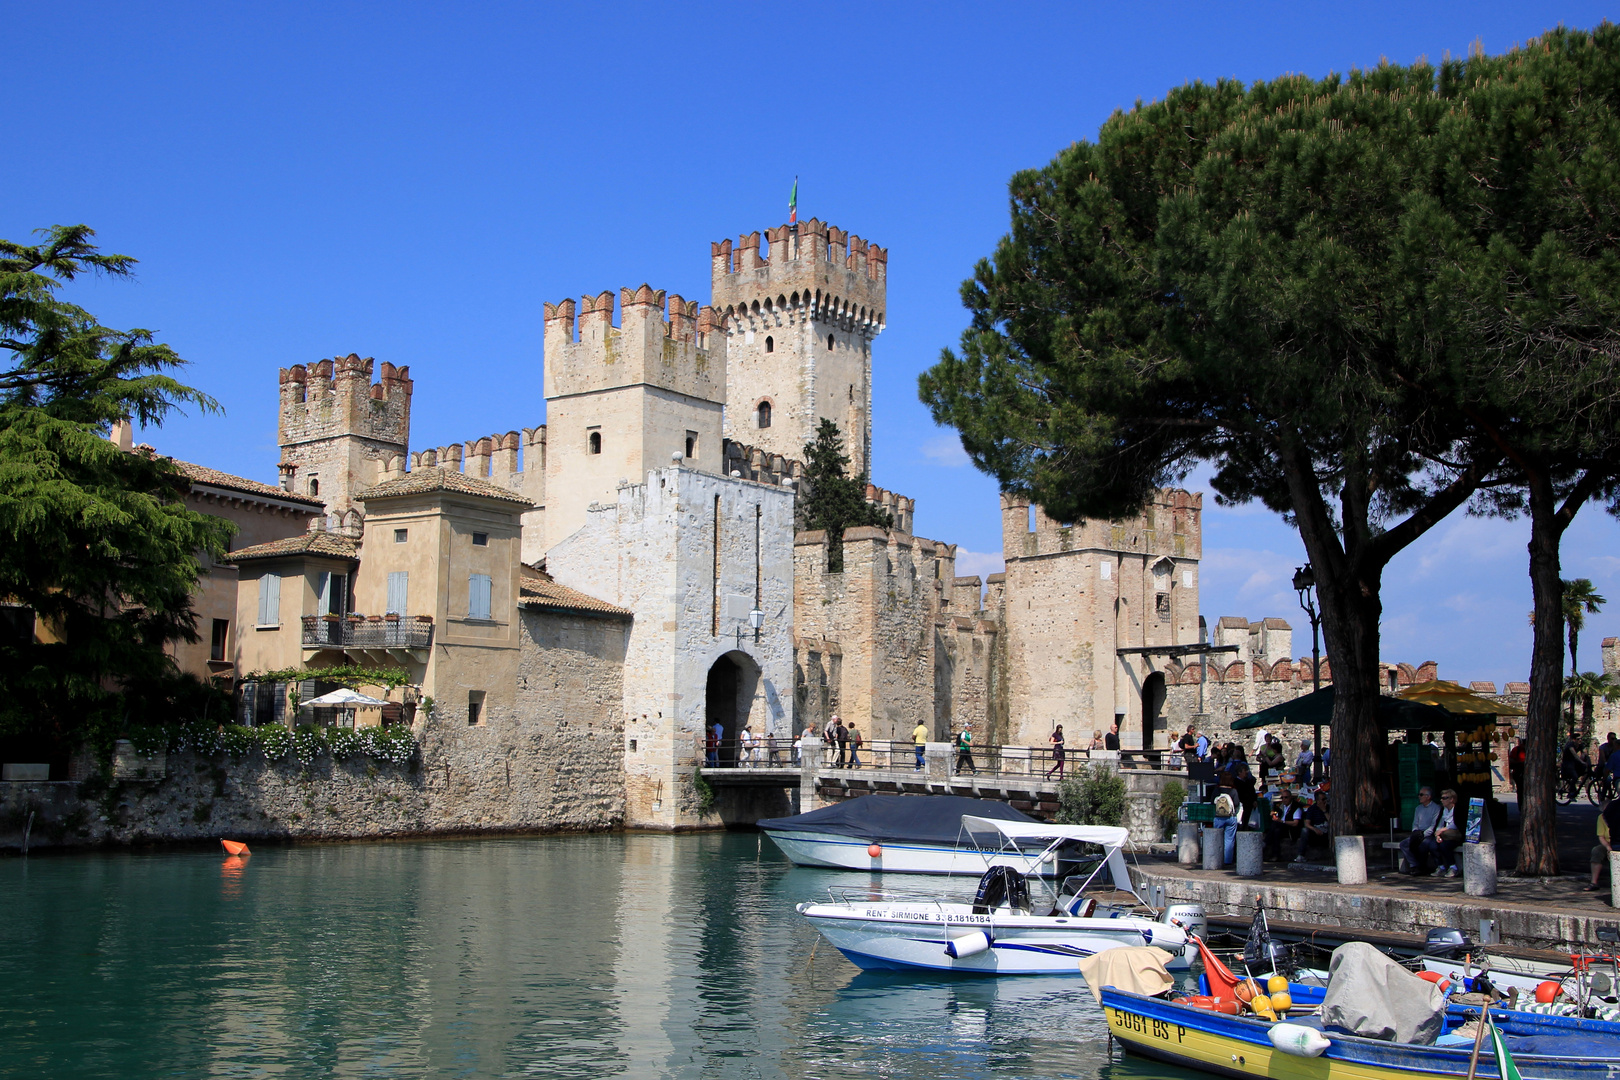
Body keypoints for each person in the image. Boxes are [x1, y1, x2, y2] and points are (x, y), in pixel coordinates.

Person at [1398, 787, 1441, 875]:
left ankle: (1422, 867)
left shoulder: (1436, 808)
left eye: (1421, 794)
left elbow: (1433, 825)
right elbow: (1415, 823)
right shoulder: (1418, 808)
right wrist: (1415, 833)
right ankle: (1414, 865)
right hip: (1418, 833)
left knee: (1423, 845)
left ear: (1428, 796)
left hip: (1428, 834)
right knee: (1404, 844)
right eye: (1419, 794)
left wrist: (1423, 835)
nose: (1419, 796)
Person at [1420, 789, 1463, 878]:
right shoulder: (1443, 810)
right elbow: (1439, 824)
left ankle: (1453, 867)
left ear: (1451, 799)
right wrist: (1438, 835)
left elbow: (1457, 824)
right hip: (1444, 835)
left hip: (1454, 836)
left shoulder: (1458, 809)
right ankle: (1440, 867)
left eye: (1444, 798)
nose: (1441, 800)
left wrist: (1443, 829)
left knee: (1444, 846)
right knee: (1432, 845)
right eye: (1441, 798)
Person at [1587, 794, 1620, 891]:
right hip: (1609, 843)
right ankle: (1594, 882)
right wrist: (1608, 847)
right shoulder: (1601, 818)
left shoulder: (1612, 812)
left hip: (1614, 842)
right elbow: (1601, 837)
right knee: (1597, 851)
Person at [1264, 791, 1302, 861]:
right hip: (1279, 827)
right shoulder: (1281, 806)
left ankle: (1265, 842)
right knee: (1276, 831)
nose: (1284, 799)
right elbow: (1277, 815)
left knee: (1276, 826)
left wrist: (1282, 821)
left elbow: (1295, 823)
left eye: (1286, 797)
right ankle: (1275, 855)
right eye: (1282, 798)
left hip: (1290, 829)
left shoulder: (1296, 807)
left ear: (1290, 797)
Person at [1294, 791, 1330, 863]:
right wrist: (1314, 829)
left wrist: (1324, 810)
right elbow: (1307, 824)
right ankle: (1301, 855)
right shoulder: (1312, 809)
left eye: (1325, 799)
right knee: (1304, 831)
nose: (1325, 801)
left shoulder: (1329, 808)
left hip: (1328, 834)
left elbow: (1332, 822)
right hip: (1316, 833)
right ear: (1317, 801)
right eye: (1322, 799)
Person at [1212, 788, 1239, 866]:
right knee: (1229, 839)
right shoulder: (1233, 791)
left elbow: (1212, 802)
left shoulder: (1217, 790)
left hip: (1218, 817)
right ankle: (1228, 860)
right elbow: (1236, 803)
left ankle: (1216, 858)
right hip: (1230, 817)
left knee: (1217, 838)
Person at [1230, 760, 1257, 829]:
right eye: (1245, 770)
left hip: (1249, 805)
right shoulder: (1236, 782)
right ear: (1239, 772)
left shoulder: (1248, 781)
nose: (1247, 772)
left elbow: (1252, 792)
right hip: (1241, 805)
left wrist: (1254, 800)